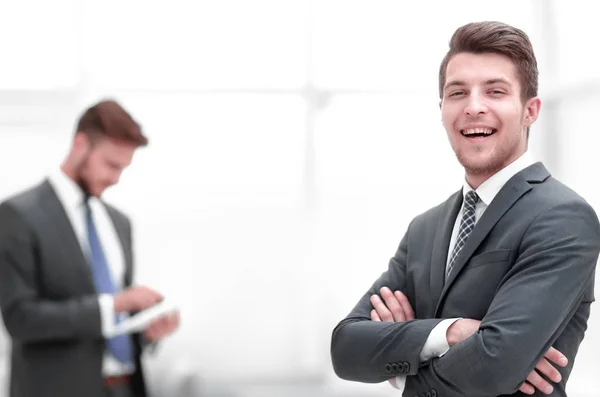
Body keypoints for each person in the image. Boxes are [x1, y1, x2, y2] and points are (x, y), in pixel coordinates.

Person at [330, 21, 600, 396]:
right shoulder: (424, 229)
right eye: (458, 92)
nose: (474, 107)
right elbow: (345, 349)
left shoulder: (562, 217)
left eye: (495, 91)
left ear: (530, 110)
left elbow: (493, 367)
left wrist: (400, 368)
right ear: (442, 109)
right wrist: (451, 333)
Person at [0, 99, 180, 397]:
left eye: (123, 168)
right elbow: (20, 319)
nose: (115, 178)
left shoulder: (118, 222)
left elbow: (111, 324)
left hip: (124, 386)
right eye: (110, 165)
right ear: (80, 144)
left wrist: (145, 332)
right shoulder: (18, 215)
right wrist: (114, 304)